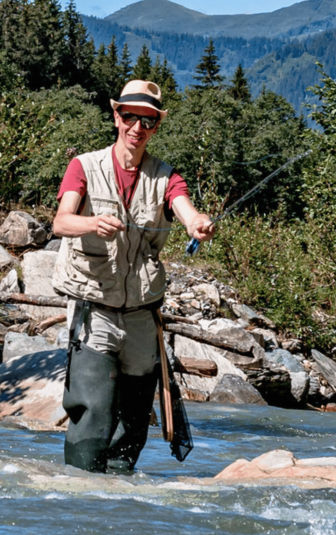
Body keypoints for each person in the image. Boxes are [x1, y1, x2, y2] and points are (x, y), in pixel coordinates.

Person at [51, 79, 215, 473]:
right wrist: (90, 223)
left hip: (143, 317)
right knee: (93, 410)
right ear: (116, 116)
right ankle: (81, 490)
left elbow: (185, 209)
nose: (137, 127)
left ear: (156, 126)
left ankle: (121, 499)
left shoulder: (166, 177)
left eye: (148, 120)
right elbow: (60, 222)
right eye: (130, 117)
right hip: (95, 311)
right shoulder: (84, 166)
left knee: (134, 419)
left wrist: (198, 224)